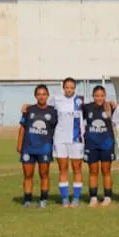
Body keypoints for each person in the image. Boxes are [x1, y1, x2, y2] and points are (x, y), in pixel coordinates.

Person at [17, 84, 57, 208]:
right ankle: (27, 200)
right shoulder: (29, 110)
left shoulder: (53, 111)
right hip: (28, 148)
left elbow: (58, 129)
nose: (41, 96)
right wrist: (19, 144)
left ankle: (43, 200)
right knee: (28, 175)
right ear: (35, 96)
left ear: (47, 95)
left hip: (45, 148)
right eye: (39, 94)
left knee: (44, 174)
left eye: (44, 94)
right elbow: (23, 128)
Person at [81, 85, 116, 207]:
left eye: (102, 95)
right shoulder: (87, 107)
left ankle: (107, 197)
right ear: (93, 96)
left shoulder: (110, 107)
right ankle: (93, 198)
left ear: (105, 96)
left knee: (106, 171)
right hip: (91, 144)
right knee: (93, 171)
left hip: (107, 144)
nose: (99, 98)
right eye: (97, 95)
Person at [52, 77, 85, 206]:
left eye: (72, 87)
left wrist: (110, 104)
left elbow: (95, 106)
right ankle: (65, 199)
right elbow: (42, 106)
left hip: (76, 139)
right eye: (67, 87)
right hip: (60, 139)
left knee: (77, 168)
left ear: (75, 88)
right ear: (63, 88)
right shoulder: (56, 99)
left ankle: (76, 198)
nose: (69, 90)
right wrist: (27, 106)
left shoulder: (81, 100)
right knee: (63, 168)